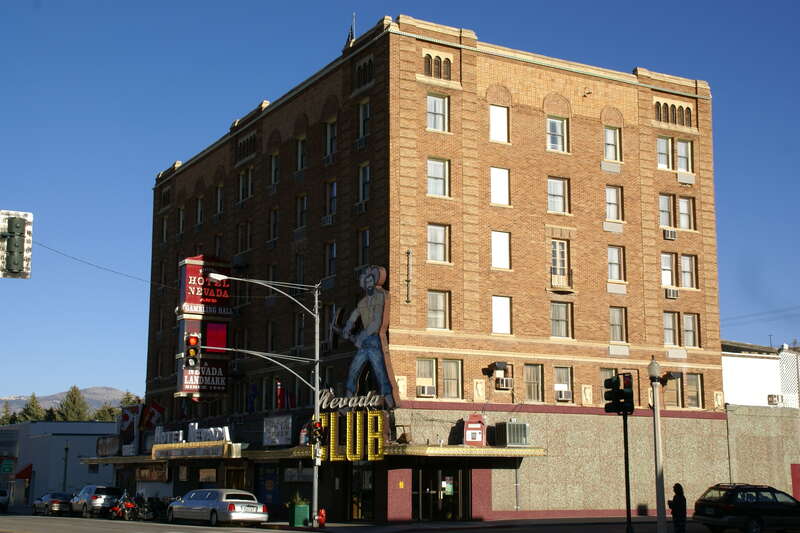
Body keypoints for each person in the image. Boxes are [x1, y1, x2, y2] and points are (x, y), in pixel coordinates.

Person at [335, 266, 394, 408]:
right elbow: (354, 316)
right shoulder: (362, 302)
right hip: (364, 345)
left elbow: (377, 322)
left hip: (374, 341)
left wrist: (361, 336)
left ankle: (390, 400)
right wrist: (347, 328)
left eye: (370, 282)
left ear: (374, 282)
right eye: (366, 282)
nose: (368, 285)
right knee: (353, 371)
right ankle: (348, 402)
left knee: (381, 372)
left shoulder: (381, 297)